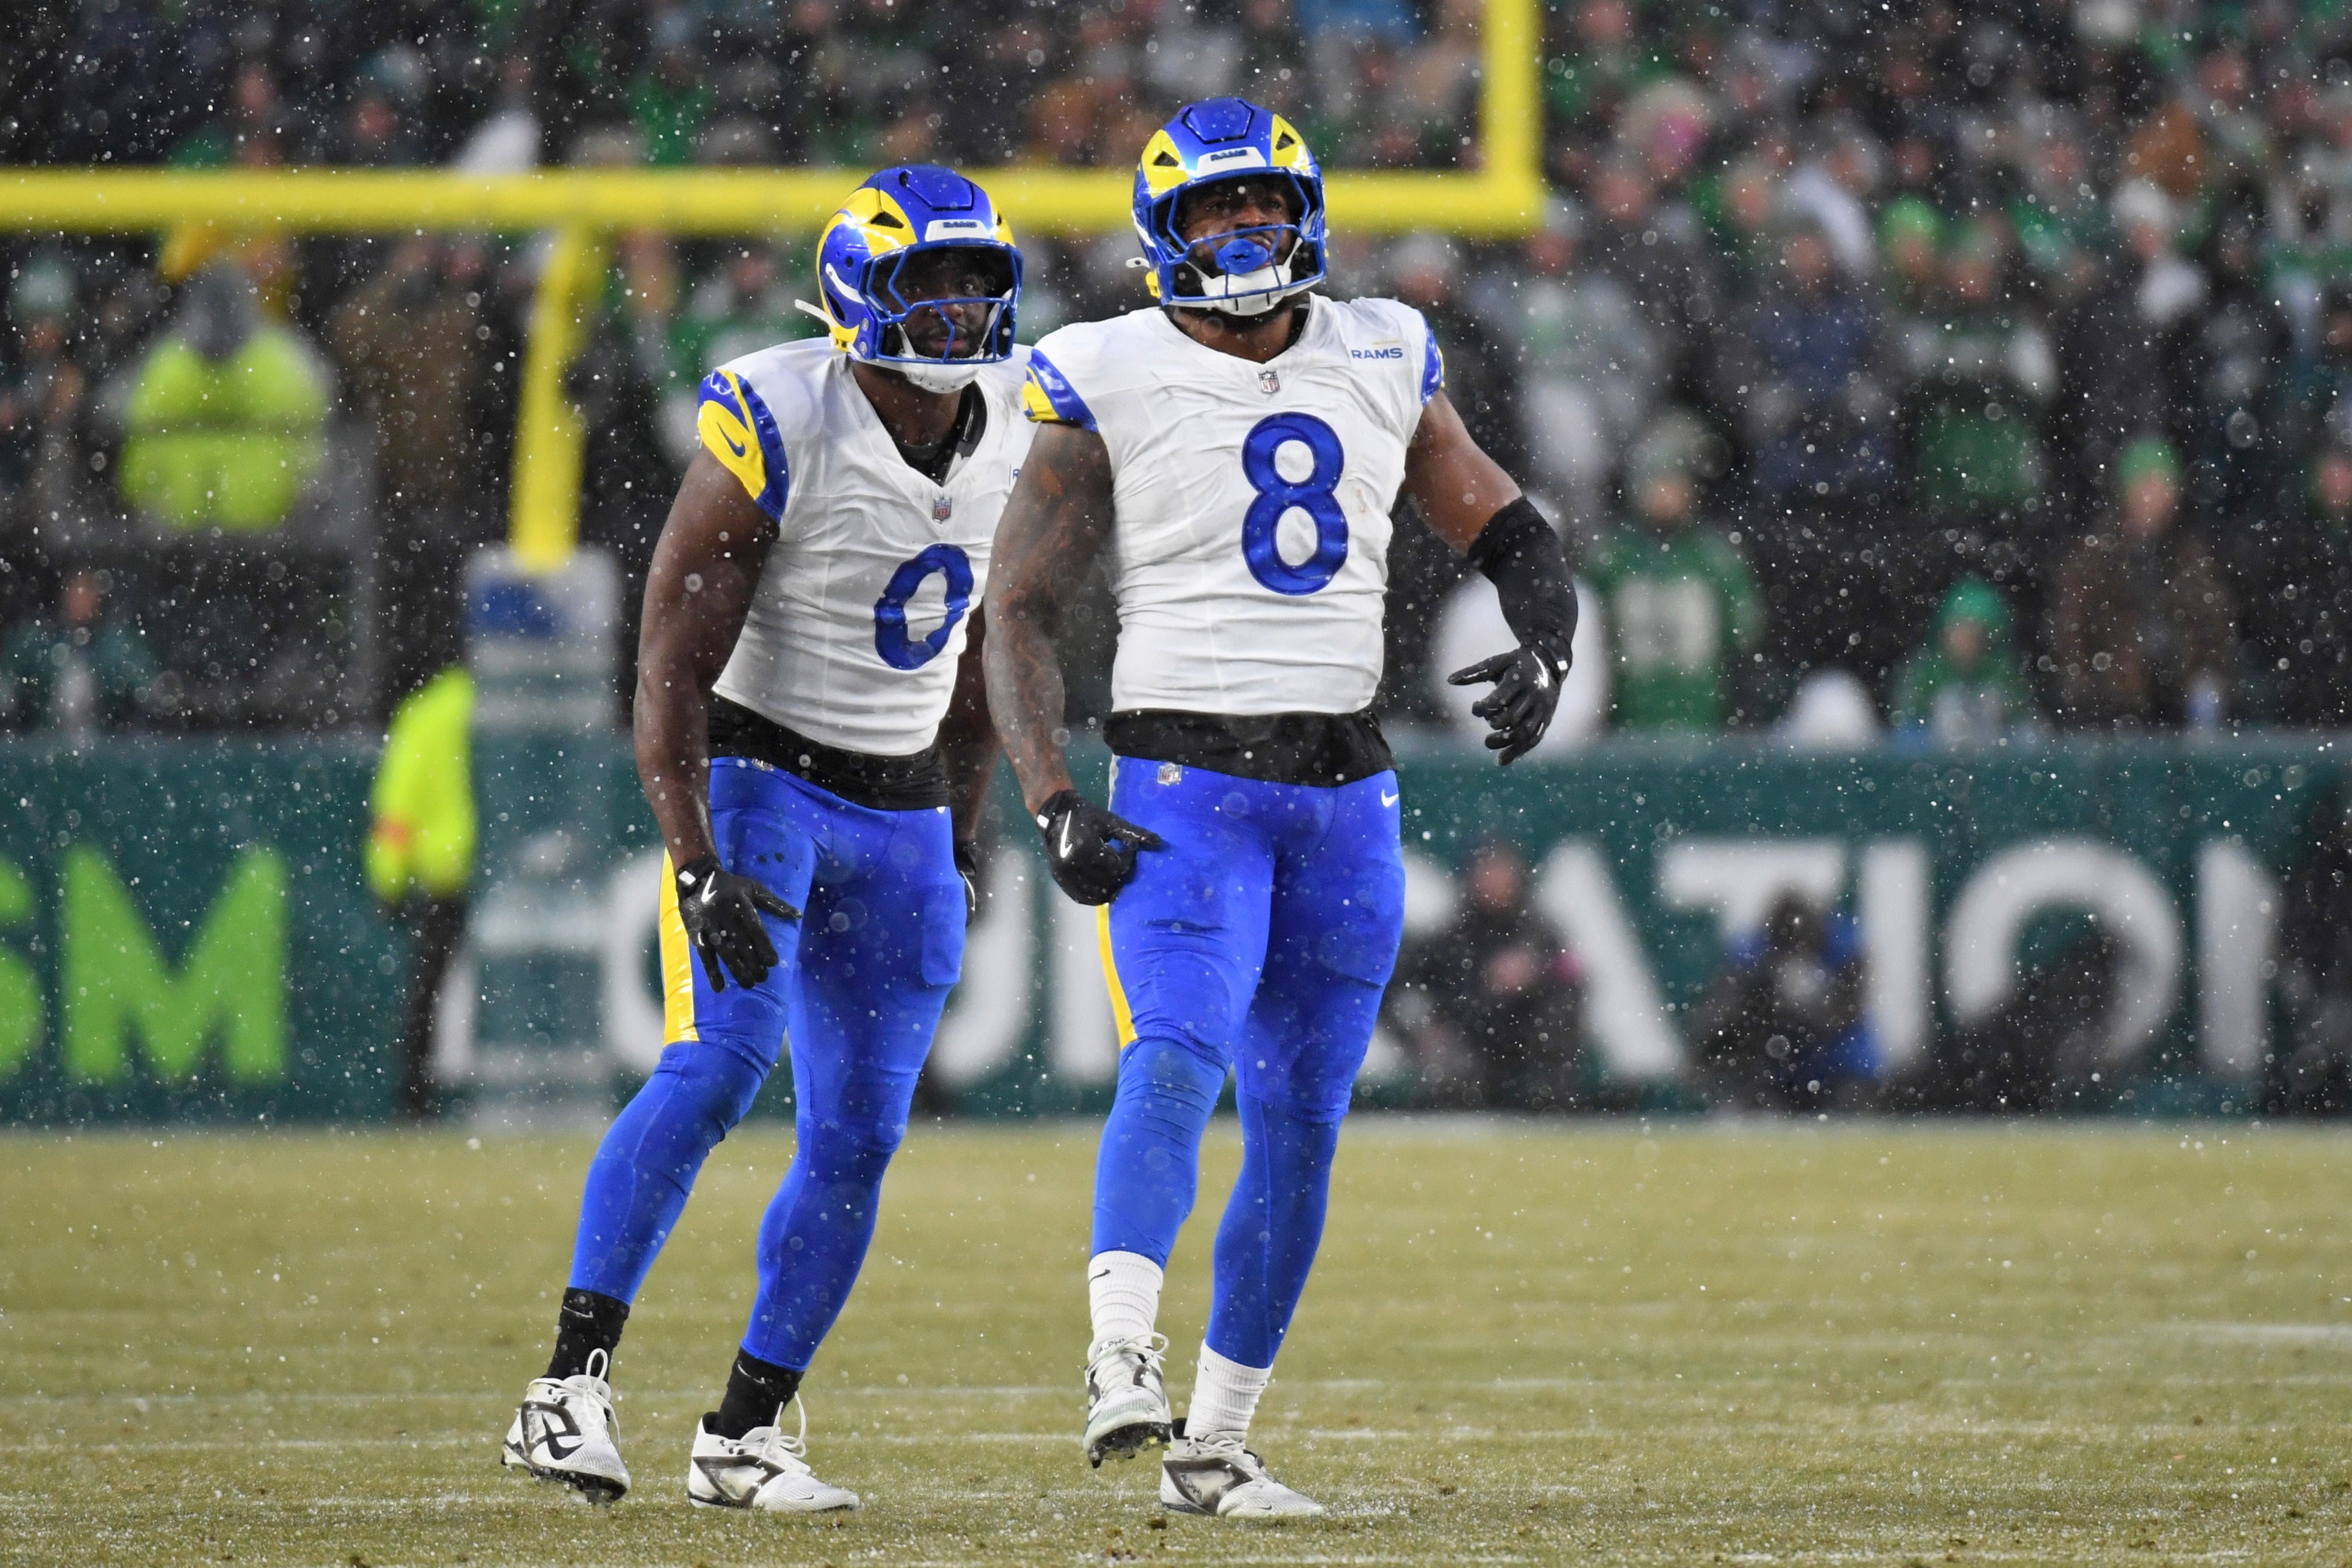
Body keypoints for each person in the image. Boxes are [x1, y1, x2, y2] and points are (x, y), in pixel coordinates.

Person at [984, 98, 1577, 1520]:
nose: (1243, 231)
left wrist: (1546, 622)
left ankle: (1217, 1443)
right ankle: (1118, 1352)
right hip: (1187, 780)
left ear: (1305, 210)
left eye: (1261, 205)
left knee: (1304, 1121)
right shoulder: (1105, 369)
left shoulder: (1380, 345)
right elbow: (1017, 605)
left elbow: (1494, 514)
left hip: (1347, 793)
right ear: (1162, 234)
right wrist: (1054, 793)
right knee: (1177, 1058)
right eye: (1212, 212)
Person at [498, 165, 1031, 1514]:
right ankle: (565, 1389)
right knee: (721, 1067)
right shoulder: (780, 412)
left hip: (906, 806)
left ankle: (746, 1430)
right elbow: (670, 659)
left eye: (982, 283)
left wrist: (968, 829)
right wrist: (691, 852)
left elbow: (983, 652)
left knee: (860, 1135)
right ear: (861, 295)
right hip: (764, 779)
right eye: (936, 283)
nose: (965, 312)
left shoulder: (1022, 426)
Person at [1578, 412, 1759, 731]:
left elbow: (1744, 634)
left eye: (1672, 484)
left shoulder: (1714, 558)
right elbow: (1588, 640)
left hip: (1703, 717)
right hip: (1628, 721)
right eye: (1655, 485)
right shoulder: (1611, 560)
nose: (1664, 496)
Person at [2048, 434, 2236, 729]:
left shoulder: (2190, 557)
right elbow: (2071, 630)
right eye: (2147, 484)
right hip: (2112, 710)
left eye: (2165, 485)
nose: (2157, 496)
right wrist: (2092, 686)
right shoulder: (2094, 558)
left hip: (2177, 707)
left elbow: (2214, 627)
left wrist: (2203, 678)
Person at [365, 665, 477, 1122]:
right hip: (508, 870)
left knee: (428, 990)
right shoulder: (505, 704)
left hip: (444, 874)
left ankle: (415, 1098)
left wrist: (388, 880)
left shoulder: (425, 715)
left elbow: (398, 803)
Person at [1889, 576, 2036, 747]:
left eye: (1974, 635)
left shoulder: (2006, 677)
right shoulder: (1925, 675)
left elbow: (2027, 733)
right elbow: (1904, 729)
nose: (1964, 643)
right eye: (1958, 631)